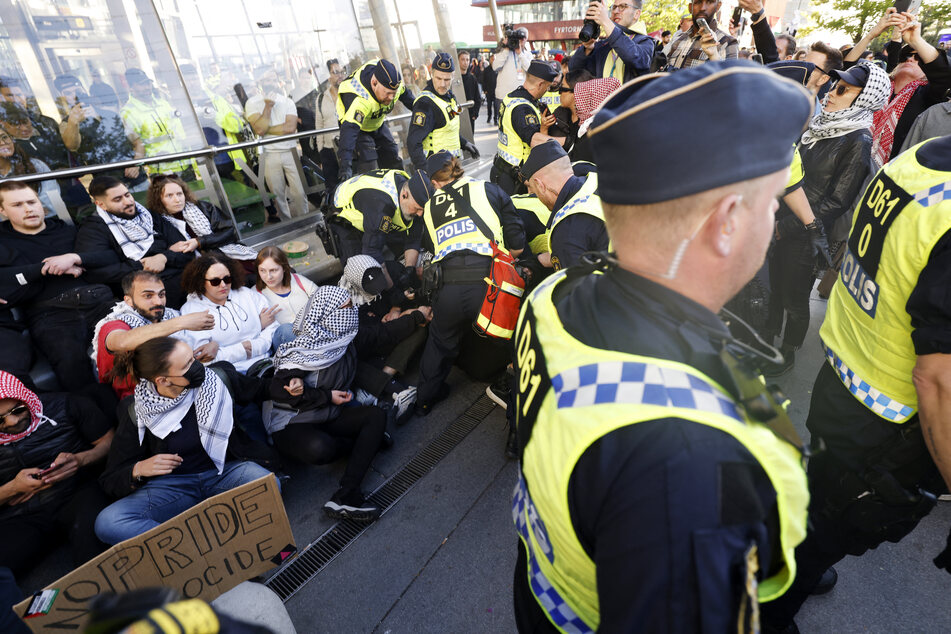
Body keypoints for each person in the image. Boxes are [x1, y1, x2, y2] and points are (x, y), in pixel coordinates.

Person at [511, 60, 812, 633]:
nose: (776, 222)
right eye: (772, 203)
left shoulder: (552, 297)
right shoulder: (693, 456)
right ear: (726, 222)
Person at [761, 135, 951, 631]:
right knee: (838, 519)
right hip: (889, 419)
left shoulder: (925, 157)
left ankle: (792, 565)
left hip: (846, 373)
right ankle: (770, 609)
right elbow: (938, 379)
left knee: (818, 497)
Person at [766, 61, 890, 376]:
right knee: (771, 288)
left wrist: (789, 226)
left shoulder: (858, 140)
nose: (832, 93)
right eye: (834, 86)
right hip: (779, 220)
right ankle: (764, 340)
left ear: (864, 98)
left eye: (844, 89)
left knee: (794, 297)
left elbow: (836, 201)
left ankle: (787, 352)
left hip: (807, 233)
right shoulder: (822, 122)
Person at [94, 336, 275, 544]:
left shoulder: (215, 379)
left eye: (192, 358)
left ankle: (203, 536)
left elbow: (262, 388)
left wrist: (296, 383)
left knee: (266, 484)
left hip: (223, 472)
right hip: (174, 487)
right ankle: (192, 548)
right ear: (163, 380)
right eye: (187, 365)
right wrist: (139, 469)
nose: (197, 367)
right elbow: (110, 478)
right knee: (108, 522)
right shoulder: (137, 410)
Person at [414, 154, 525, 416]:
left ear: (434, 182)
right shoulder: (489, 190)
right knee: (514, 339)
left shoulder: (430, 208)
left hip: (447, 287)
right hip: (488, 285)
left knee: (440, 342)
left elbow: (433, 248)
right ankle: (520, 405)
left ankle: (424, 400)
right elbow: (517, 246)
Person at [266, 286, 385, 521]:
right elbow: (278, 390)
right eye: (345, 309)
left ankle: (347, 495)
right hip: (293, 422)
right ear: (326, 314)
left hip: (328, 414)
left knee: (376, 416)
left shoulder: (346, 337)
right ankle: (364, 442)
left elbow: (381, 335)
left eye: (351, 307)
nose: (350, 313)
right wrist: (324, 395)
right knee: (321, 449)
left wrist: (415, 317)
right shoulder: (302, 349)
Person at [0, 181, 117, 390]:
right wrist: (46, 268)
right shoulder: (3, 242)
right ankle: (106, 422)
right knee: (72, 369)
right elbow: (5, 285)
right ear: (2, 210)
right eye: (17, 205)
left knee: (139, 343)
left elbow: (110, 256)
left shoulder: (67, 229)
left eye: (32, 202)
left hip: (96, 298)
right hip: (49, 314)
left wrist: (75, 257)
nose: (29, 209)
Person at [0, 372, 113, 581]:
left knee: (94, 545)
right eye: (0, 419)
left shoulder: (66, 405)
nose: (12, 421)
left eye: (17, 410)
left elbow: (110, 441)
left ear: (25, 397)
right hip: (22, 515)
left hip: (76, 493)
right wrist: (12, 488)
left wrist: (80, 460)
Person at [92, 271, 216, 400]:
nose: (158, 301)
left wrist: (212, 345)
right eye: (148, 296)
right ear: (128, 300)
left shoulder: (169, 315)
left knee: (225, 372)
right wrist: (181, 322)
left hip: (181, 383)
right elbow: (123, 341)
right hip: (137, 398)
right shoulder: (115, 323)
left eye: (161, 294)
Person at [77, 175, 194, 307]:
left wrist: (164, 257)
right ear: (101, 204)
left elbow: (186, 250)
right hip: (150, 295)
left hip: (185, 280)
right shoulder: (94, 230)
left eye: (127, 195)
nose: (127, 202)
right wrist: (142, 265)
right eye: (118, 199)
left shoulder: (148, 216)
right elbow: (100, 273)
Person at [867, 11, 951, 165]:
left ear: (928, 71)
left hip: (891, 172)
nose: (911, 59)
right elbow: (847, 66)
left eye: (918, 58)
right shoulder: (879, 88)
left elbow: (945, 75)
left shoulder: (927, 94)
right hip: (854, 160)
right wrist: (871, 35)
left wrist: (916, 41)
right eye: (905, 57)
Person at [179, 254, 279, 374]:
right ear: (200, 282)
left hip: (270, 360)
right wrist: (244, 348)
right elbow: (203, 358)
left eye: (227, 279)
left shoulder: (247, 294)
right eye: (215, 281)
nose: (223, 285)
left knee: (287, 330)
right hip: (233, 373)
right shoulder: (191, 310)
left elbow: (273, 327)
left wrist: (253, 347)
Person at [53, 73, 148, 192]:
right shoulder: (67, 124)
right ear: (62, 98)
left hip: (138, 181)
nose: (75, 95)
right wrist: (73, 122)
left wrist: (136, 164)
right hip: (109, 188)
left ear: (84, 90)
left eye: (77, 90)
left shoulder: (111, 114)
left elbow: (138, 142)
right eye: (68, 93)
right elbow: (72, 145)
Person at [520, 140, 605, 270]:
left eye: (534, 190)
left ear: (540, 185)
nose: (535, 196)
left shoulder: (567, 228)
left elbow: (577, 286)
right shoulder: (596, 179)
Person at [327, 168, 432, 266]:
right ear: (404, 195)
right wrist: (389, 285)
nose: (420, 214)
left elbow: (414, 239)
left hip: (373, 213)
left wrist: (410, 271)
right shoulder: (381, 207)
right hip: (343, 220)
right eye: (417, 209)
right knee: (362, 271)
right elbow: (372, 252)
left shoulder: (414, 195)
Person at [335, 58, 416, 181]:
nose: (391, 98)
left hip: (376, 122)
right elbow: (349, 132)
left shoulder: (393, 85)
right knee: (369, 162)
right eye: (387, 93)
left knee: (392, 156)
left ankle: (399, 190)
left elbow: (409, 99)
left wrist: (426, 113)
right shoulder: (360, 99)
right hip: (355, 127)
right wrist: (345, 165)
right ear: (374, 83)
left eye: (393, 94)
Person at [146, 173, 257, 263]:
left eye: (179, 194)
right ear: (158, 199)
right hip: (197, 265)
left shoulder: (203, 207)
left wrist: (199, 242)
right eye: (169, 196)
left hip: (227, 253)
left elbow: (229, 232)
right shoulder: (158, 222)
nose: (177, 200)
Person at [245, 66, 307, 220]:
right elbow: (259, 129)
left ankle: (305, 219)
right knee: (277, 194)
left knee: (299, 191)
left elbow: (290, 128)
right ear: (260, 81)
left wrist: (266, 128)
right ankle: (287, 223)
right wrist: (268, 107)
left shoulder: (287, 101)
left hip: (290, 151)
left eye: (273, 79)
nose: (271, 83)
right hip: (269, 154)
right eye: (267, 80)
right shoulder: (252, 102)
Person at [491, 60, 561, 195]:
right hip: (514, 180)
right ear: (540, 84)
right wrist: (568, 141)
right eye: (546, 87)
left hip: (501, 168)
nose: (546, 91)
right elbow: (534, 139)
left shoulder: (511, 97)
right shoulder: (523, 108)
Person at [407, 53, 479, 171]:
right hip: (437, 172)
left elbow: (446, 128)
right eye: (438, 78)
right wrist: (425, 173)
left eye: (447, 79)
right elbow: (413, 143)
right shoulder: (425, 103)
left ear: (453, 77)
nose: (442, 84)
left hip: (451, 167)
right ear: (432, 74)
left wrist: (464, 143)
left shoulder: (449, 97)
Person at [180, 63, 250, 181]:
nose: (193, 83)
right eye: (189, 80)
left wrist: (217, 116)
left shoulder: (216, 99)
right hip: (203, 164)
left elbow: (237, 125)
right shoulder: (181, 105)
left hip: (229, 159)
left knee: (245, 194)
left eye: (194, 78)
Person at [120, 68, 194, 177]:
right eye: (142, 85)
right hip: (161, 170)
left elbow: (178, 130)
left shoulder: (162, 103)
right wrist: (136, 164)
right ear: (131, 87)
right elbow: (137, 143)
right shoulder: (128, 112)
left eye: (148, 83)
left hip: (184, 163)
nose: (147, 87)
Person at [569, 0, 656, 82]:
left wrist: (606, 22)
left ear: (637, 14)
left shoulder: (646, 41)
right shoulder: (605, 45)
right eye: (614, 7)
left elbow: (635, 59)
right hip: (606, 98)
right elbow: (575, 70)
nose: (615, 11)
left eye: (622, 6)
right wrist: (587, 49)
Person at [255, 245, 318, 349]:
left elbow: (324, 297)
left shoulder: (297, 280)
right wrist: (260, 324)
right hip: (284, 343)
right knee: (286, 330)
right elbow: (247, 332)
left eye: (273, 270)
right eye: (262, 271)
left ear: (284, 268)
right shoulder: (255, 294)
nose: (268, 276)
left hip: (313, 332)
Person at [0, 128, 60, 215]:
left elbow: (53, 201)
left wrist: (13, 212)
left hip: (48, 223)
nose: (2, 143)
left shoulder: (36, 166)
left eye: (4, 137)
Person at [665, 0, 739, 69]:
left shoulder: (728, 42)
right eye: (698, 2)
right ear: (690, 7)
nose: (702, 8)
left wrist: (714, 56)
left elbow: (730, 81)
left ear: (718, 6)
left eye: (710, 1)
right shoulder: (678, 39)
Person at [314, 59, 347, 191]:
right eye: (335, 72)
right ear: (328, 76)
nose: (340, 75)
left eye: (341, 72)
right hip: (328, 150)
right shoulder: (321, 98)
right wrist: (321, 150)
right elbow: (319, 124)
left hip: (347, 147)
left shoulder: (349, 94)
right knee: (332, 187)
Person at [492, 28, 533, 120]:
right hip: (503, 96)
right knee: (503, 124)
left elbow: (530, 70)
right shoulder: (503, 52)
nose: (521, 40)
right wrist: (506, 49)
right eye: (519, 38)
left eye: (524, 38)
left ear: (526, 39)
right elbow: (495, 67)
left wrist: (520, 54)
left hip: (521, 96)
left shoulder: (528, 55)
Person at [483, 54, 498, 124]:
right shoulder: (486, 70)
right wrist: (485, 90)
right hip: (488, 91)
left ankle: (495, 119)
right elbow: (484, 80)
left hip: (496, 91)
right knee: (489, 105)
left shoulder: (498, 69)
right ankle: (489, 117)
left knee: (496, 106)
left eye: (494, 59)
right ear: (490, 60)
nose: (493, 60)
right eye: (492, 59)